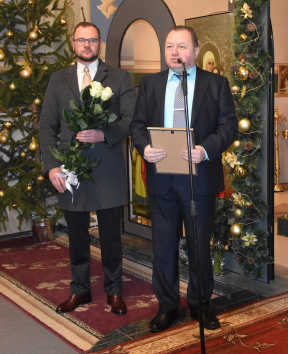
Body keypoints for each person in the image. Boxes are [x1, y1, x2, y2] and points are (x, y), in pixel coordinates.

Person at [130, 25, 238, 333]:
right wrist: (145, 148)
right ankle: (166, 306)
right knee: (163, 246)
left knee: (199, 245)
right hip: (162, 177)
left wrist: (204, 150)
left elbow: (228, 127)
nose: (174, 52)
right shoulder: (150, 84)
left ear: (194, 50)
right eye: (168, 47)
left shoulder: (215, 84)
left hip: (198, 179)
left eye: (180, 46)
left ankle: (201, 304)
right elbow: (137, 125)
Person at [39, 21, 136, 316]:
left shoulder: (118, 77)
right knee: (77, 235)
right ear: (73, 43)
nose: (86, 45)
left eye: (92, 40)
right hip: (71, 169)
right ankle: (79, 289)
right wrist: (52, 166)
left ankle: (114, 291)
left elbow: (131, 119)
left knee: (110, 235)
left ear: (99, 44)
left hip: (107, 166)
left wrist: (104, 134)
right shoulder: (58, 80)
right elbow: (46, 126)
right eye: (81, 40)